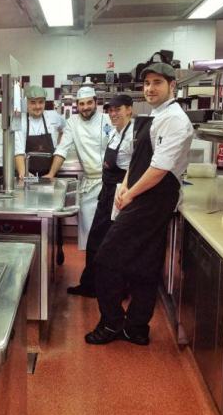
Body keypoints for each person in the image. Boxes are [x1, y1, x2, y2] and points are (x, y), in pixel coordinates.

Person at [85, 63, 193, 346]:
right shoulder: (156, 116)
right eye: (147, 83)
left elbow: (158, 169)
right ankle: (136, 328)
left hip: (155, 198)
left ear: (172, 86)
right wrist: (125, 185)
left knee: (106, 259)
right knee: (146, 264)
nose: (150, 88)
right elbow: (137, 160)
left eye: (157, 82)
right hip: (141, 194)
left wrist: (130, 194)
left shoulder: (176, 121)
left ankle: (111, 324)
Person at [67, 94, 134, 297]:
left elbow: (136, 166)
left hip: (118, 194)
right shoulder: (116, 132)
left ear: (129, 109)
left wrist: (125, 190)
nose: (113, 113)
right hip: (107, 192)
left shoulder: (132, 134)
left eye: (118, 109)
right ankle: (90, 284)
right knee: (96, 239)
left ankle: (116, 290)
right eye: (111, 110)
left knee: (112, 244)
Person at [43, 86, 112, 255]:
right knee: (89, 231)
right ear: (77, 105)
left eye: (89, 103)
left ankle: (106, 279)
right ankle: (90, 279)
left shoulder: (108, 120)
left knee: (108, 234)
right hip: (89, 183)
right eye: (82, 104)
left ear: (96, 103)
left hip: (110, 183)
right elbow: (62, 149)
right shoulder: (72, 123)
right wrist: (51, 174)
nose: (86, 107)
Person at [14, 85, 65, 177]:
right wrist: (23, 172)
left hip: (50, 173)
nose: (37, 106)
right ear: (27, 103)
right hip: (28, 174)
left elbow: (64, 130)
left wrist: (59, 146)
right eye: (33, 102)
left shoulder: (53, 116)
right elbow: (18, 150)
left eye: (41, 102)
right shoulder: (20, 120)